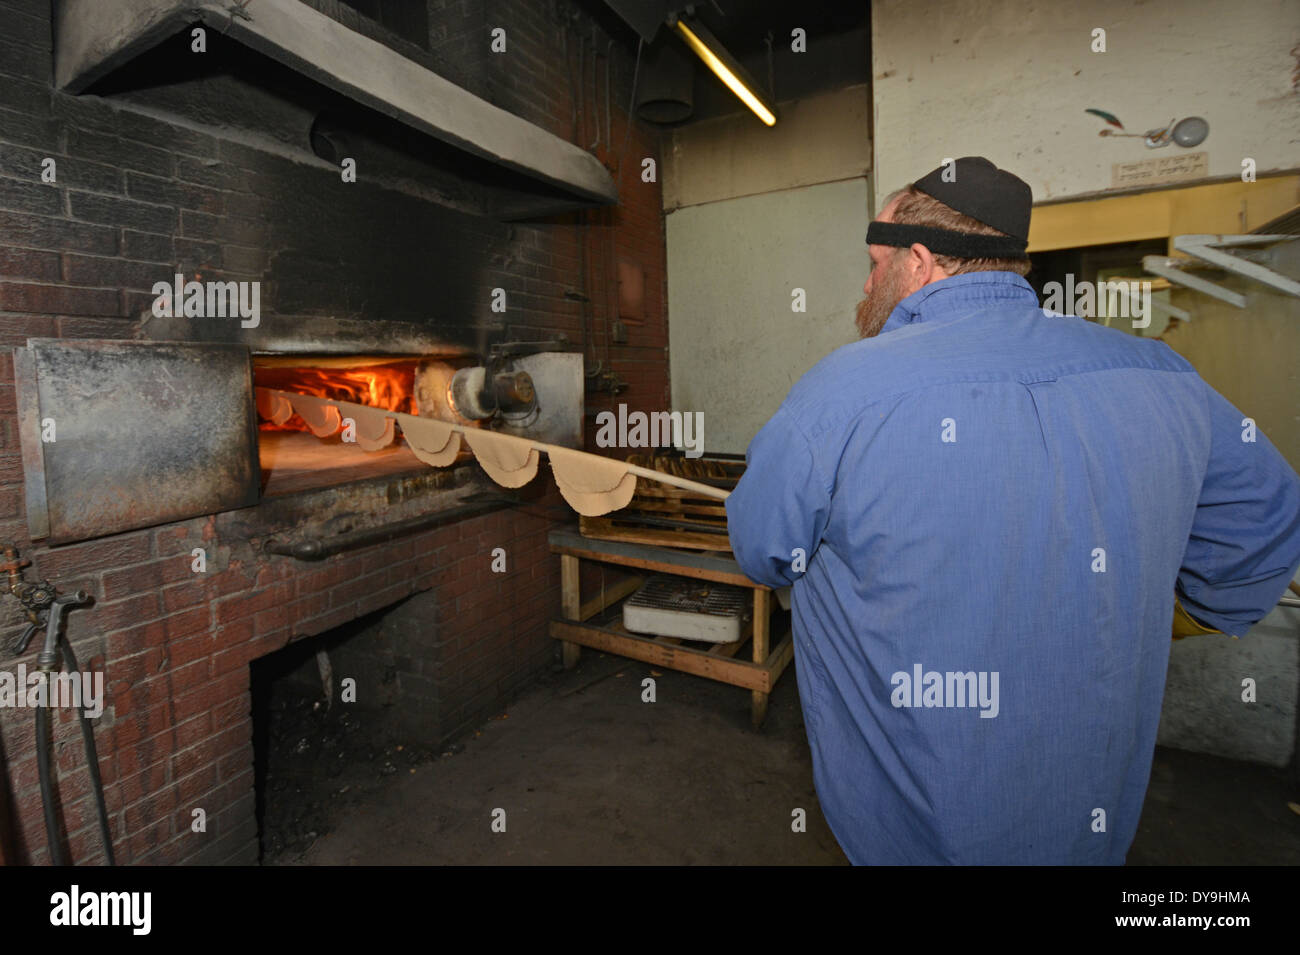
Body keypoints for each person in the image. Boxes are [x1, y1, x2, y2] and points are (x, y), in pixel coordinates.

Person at [725, 157, 1300, 865]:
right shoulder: (1162, 376)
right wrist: (1163, 611)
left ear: (921, 259)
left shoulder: (841, 392)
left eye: (876, 263)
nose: (868, 284)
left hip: (909, 826)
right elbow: (1269, 525)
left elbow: (762, 548)